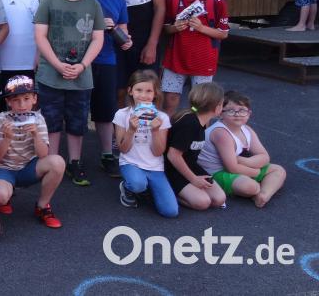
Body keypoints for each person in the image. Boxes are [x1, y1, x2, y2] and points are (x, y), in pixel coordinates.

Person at [34, 0, 105, 186]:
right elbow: (40, 36)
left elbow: (97, 39)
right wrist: (57, 64)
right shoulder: (48, 2)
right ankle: (52, 162)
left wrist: (83, 65)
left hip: (80, 76)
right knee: (51, 121)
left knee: (77, 122)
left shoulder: (92, 4)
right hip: (50, 74)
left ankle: (75, 162)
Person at [0, 75, 64, 228]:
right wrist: (7, 138)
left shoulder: (38, 119)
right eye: (16, 100)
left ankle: (42, 206)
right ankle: (4, 195)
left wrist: (35, 135)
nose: (22, 105)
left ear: (34, 99)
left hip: (28, 167)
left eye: (27, 99)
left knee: (57, 162)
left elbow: (43, 155)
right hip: (4, 168)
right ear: (8, 102)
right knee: (0, 196)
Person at [161, 0, 229, 116]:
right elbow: (165, 27)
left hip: (203, 59)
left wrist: (201, 28)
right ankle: (166, 136)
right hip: (176, 57)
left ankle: (197, 139)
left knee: (200, 104)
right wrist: (175, 27)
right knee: (170, 100)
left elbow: (223, 33)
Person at [83, 0, 132, 178]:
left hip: (107, 59)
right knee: (77, 110)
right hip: (80, 61)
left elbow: (124, 31)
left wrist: (123, 37)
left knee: (105, 111)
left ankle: (106, 155)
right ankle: (73, 157)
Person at [197, 91, 286, 208]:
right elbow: (232, 168)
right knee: (251, 187)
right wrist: (256, 172)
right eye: (231, 110)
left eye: (242, 110)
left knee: (279, 170)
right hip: (216, 172)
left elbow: (264, 156)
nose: (237, 114)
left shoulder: (247, 129)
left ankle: (263, 195)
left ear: (249, 114)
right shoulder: (220, 133)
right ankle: (257, 190)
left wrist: (243, 161)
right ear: (220, 114)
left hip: (236, 165)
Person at [113, 70, 177, 218]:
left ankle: (147, 188)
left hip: (155, 167)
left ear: (155, 94)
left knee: (170, 211)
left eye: (149, 91)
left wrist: (155, 131)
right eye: (139, 90)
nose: (143, 95)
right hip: (131, 162)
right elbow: (123, 149)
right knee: (137, 184)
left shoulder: (162, 117)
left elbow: (158, 152)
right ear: (130, 91)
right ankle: (128, 187)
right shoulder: (122, 114)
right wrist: (131, 130)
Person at [164, 82, 227, 211]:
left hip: (190, 166)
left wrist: (196, 176)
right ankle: (167, 195)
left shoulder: (202, 122)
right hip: (172, 170)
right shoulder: (189, 123)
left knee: (219, 199)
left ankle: (188, 192)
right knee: (202, 202)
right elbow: (173, 155)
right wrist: (193, 179)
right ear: (216, 108)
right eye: (222, 104)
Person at [0, 0, 40, 110]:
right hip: (3, 63)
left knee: (27, 104)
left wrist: (38, 56)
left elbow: (40, 31)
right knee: (5, 104)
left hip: (28, 63)